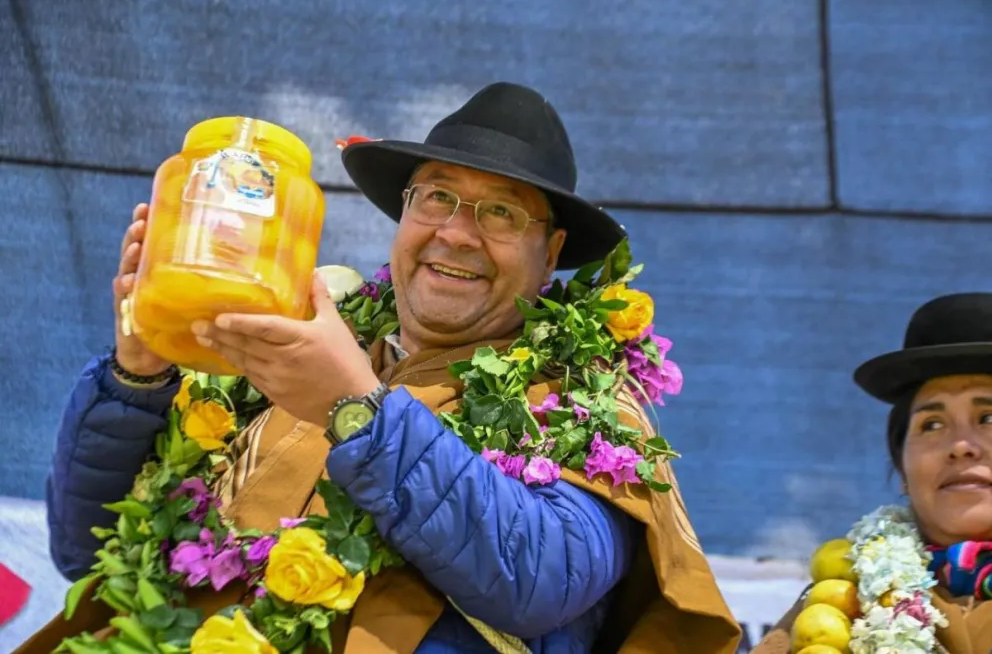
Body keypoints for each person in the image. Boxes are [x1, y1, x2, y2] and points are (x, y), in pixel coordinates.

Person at [26, 82, 739, 653]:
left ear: (549, 254)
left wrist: (354, 407)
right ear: (404, 212)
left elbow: (539, 578)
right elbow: (83, 550)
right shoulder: (285, 345)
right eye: (436, 196)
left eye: (499, 212)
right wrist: (140, 369)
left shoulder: (593, 410)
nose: (455, 233)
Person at [755, 293, 992, 654]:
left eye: (988, 418)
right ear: (902, 471)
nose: (961, 445)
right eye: (932, 424)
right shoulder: (842, 598)